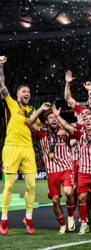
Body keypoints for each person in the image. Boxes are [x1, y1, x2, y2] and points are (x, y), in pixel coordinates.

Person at [0, 57, 39, 236]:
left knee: (31, 186)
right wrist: (1, 66)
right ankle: (4, 219)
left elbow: (38, 129)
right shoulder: (11, 103)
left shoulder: (33, 111)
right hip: (12, 147)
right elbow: (2, 85)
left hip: (28, 148)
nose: (27, 93)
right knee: (9, 186)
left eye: (29, 91)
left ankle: (28, 218)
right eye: (24, 91)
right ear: (18, 94)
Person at [53, 106, 91, 235]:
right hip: (83, 172)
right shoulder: (80, 135)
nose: (87, 120)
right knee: (82, 198)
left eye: (90, 119)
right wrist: (57, 116)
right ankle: (84, 224)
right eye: (86, 119)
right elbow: (67, 127)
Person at [28, 105, 76, 234]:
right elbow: (29, 122)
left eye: (55, 117)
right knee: (55, 200)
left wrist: (58, 117)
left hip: (66, 168)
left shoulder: (64, 130)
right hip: (52, 171)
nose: (54, 119)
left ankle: (71, 215)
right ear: (47, 121)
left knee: (69, 192)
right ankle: (62, 224)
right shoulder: (42, 133)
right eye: (51, 117)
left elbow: (71, 130)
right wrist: (41, 109)